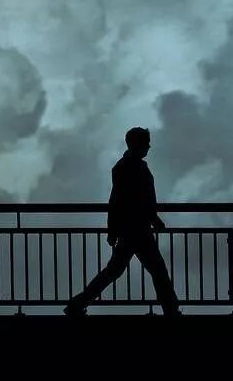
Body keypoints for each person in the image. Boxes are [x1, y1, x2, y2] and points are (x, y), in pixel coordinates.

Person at [64, 127, 181, 315]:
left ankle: (77, 304)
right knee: (156, 270)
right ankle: (171, 309)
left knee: (115, 271)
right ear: (138, 144)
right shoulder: (132, 168)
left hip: (130, 229)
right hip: (138, 230)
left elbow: (117, 201)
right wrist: (153, 219)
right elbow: (130, 201)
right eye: (146, 143)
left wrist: (113, 230)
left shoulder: (124, 167)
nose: (149, 147)